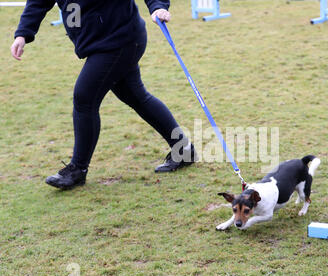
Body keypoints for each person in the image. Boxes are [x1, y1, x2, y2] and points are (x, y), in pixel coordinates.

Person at [10, 0, 196, 190]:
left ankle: (78, 169)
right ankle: (183, 149)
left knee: (84, 98)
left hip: (119, 40)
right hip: (102, 41)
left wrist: (158, 6)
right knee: (136, 97)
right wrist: (23, 34)